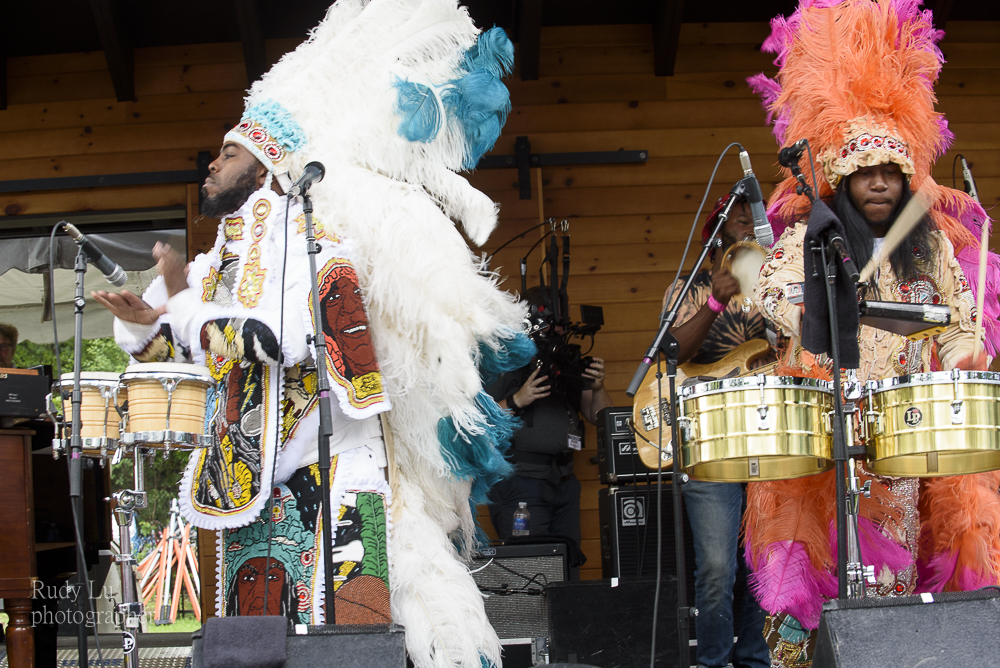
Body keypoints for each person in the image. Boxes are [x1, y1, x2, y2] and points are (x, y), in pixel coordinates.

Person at [93, 4, 531, 667]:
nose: (211, 165)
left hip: (342, 484)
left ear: (269, 162)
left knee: (349, 651)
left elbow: (282, 343)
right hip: (249, 492)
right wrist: (142, 325)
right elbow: (184, 354)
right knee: (254, 655)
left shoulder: (319, 247)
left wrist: (182, 306)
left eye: (228, 152)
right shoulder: (214, 262)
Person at [744, 1, 1000, 665]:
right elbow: (772, 296)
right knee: (821, 593)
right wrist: (819, 325)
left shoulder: (931, 249)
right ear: (845, 180)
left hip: (911, 437)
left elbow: (967, 319)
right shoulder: (809, 239)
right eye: (867, 174)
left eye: (892, 173)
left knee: (911, 589)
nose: (881, 183)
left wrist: (967, 344)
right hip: (827, 437)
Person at [663, 196, 771, 668]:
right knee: (716, 568)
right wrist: (714, 301)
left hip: (770, 439)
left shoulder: (776, 285)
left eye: (755, 215)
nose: (749, 221)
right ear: (717, 230)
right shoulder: (685, 288)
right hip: (709, 446)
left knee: (766, 566)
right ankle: (712, 661)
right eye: (740, 215)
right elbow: (671, 351)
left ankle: (756, 660)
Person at [486, 286, 611, 554]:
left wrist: (598, 387)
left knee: (567, 557)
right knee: (529, 560)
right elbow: (478, 419)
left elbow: (598, 417)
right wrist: (517, 400)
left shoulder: (565, 361)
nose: (555, 332)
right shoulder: (506, 360)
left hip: (564, 480)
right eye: (548, 325)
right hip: (521, 483)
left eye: (560, 326)